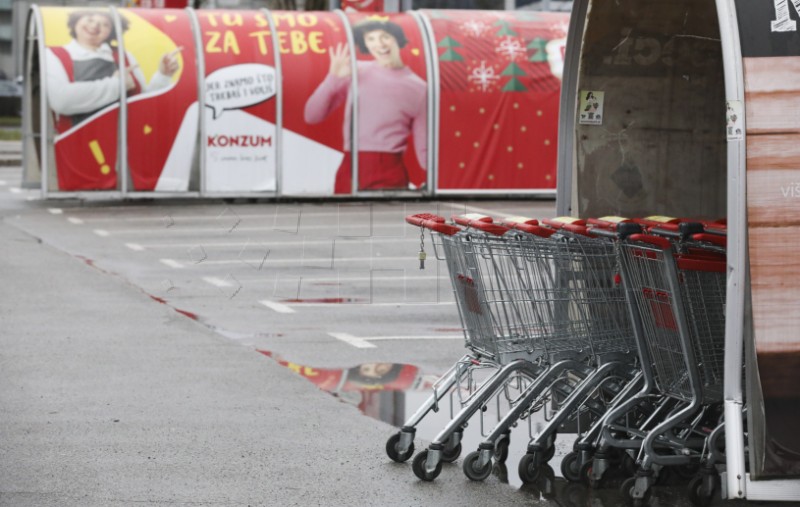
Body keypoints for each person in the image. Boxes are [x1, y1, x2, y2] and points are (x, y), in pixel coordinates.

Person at [304, 18, 427, 194]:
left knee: (384, 221)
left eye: (385, 36)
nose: (379, 44)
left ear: (397, 38)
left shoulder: (419, 88)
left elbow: (424, 148)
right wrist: (332, 78)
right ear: (365, 45)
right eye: (371, 39)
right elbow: (312, 115)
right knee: (343, 221)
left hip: (390, 171)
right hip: (350, 169)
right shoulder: (355, 71)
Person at [46, 10, 181, 133]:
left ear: (112, 32)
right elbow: (62, 100)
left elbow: (143, 103)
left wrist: (163, 75)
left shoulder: (125, 56)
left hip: (127, 141)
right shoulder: (54, 54)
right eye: (90, 19)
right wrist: (117, 85)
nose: (95, 26)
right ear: (76, 20)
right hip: (80, 144)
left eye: (105, 24)